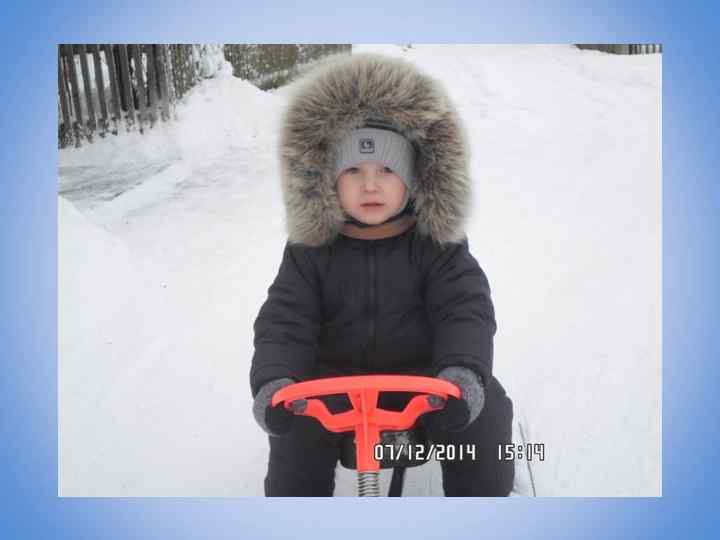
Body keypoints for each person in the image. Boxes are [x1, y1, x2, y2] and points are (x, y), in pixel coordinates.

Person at [250, 52, 514, 496]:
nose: (370, 185)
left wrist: (461, 373)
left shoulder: (436, 245)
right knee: (297, 432)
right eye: (353, 170)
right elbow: (285, 320)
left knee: (485, 417)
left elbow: (465, 310)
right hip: (335, 386)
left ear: (414, 180)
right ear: (328, 180)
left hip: (422, 382)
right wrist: (276, 382)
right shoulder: (310, 250)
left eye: (387, 170)